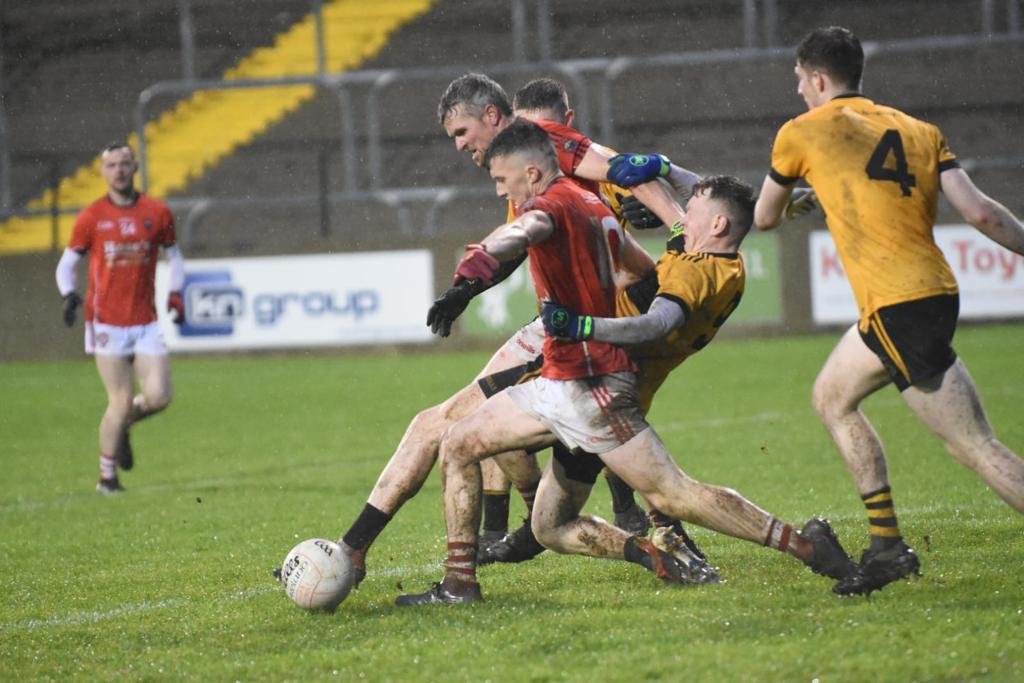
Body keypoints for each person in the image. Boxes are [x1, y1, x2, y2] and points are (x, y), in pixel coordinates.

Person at [396, 120, 856, 605]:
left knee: (673, 495)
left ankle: (805, 545)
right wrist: (663, 167)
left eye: (690, 212)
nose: (678, 214)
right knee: (542, 518)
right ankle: (654, 555)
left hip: (596, 386)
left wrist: (578, 323)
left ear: (715, 226)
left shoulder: (690, 273)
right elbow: (697, 205)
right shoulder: (714, 256)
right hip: (572, 381)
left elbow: (654, 322)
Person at [329, 74, 685, 586]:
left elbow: (629, 170)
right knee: (506, 435)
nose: (459, 146)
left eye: (461, 132)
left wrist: (677, 226)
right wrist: (468, 290)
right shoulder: (520, 165)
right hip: (583, 323)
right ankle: (644, 524)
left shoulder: (544, 145)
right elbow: (532, 235)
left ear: (492, 118)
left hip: (579, 329)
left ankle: (358, 554)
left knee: (442, 426)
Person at [753, 26, 1024, 596]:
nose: (800, 90)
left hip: (897, 303)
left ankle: (889, 551)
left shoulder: (800, 132)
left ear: (818, 78)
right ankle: (886, 548)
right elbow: (980, 214)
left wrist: (804, 194)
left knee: (972, 445)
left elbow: (765, 218)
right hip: (927, 294)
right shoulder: (919, 130)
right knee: (832, 396)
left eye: (801, 80)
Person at [55, 142, 186, 494]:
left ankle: (123, 426)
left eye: (125, 163)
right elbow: (67, 264)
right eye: (112, 165)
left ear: (135, 167)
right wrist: (69, 295)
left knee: (158, 396)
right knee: (120, 399)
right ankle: (107, 478)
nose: (119, 170)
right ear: (103, 171)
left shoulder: (156, 212)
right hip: (106, 324)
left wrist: (176, 294)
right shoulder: (92, 217)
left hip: (145, 322)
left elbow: (175, 258)